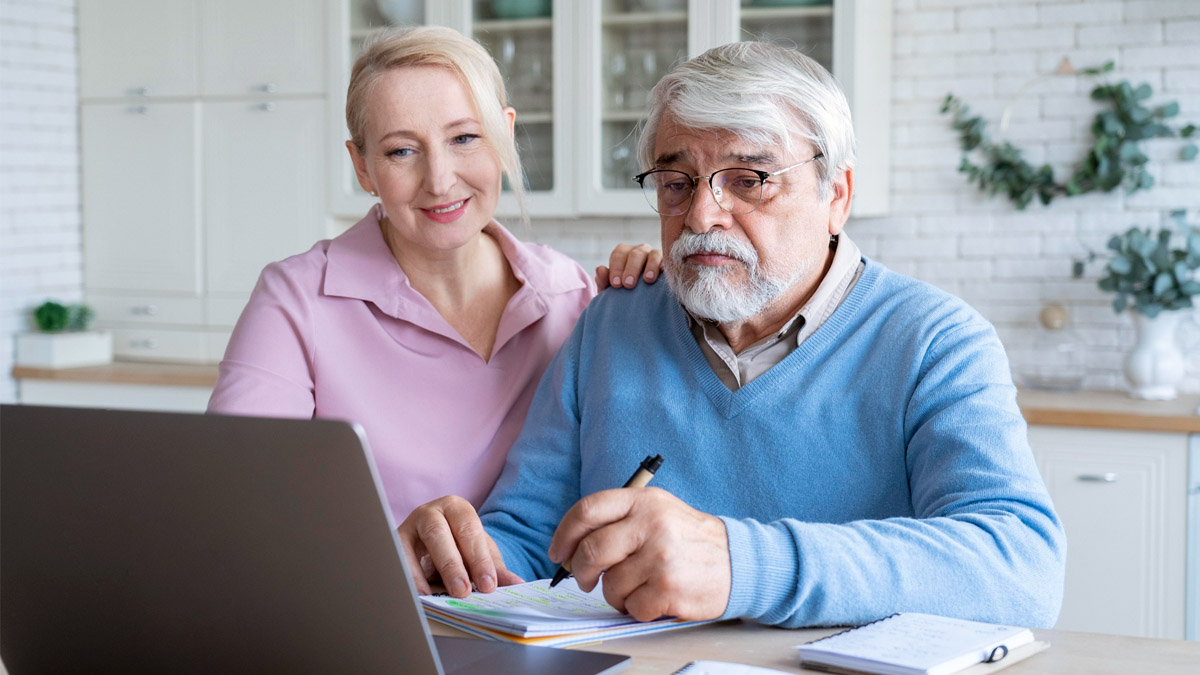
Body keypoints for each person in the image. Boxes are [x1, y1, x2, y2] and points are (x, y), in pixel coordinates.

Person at [396, 41, 1067, 628]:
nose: (703, 213)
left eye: (749, 180)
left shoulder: (936, 341)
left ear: (837, 194)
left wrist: (740, 563)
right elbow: (529, 534)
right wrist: (455, 561)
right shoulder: (612, 323)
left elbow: (1020, 566)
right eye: (676, 181)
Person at [207, 26, 660, 524]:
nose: (440, 180)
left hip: (533, 601)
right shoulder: (297, 300)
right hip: (372, 598)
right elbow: (237, 503)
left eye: (465, 138)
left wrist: (658, 301)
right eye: (402, 150)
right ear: (362, 167)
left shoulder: (569, 293)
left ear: (505, 135)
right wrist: (390, 556)